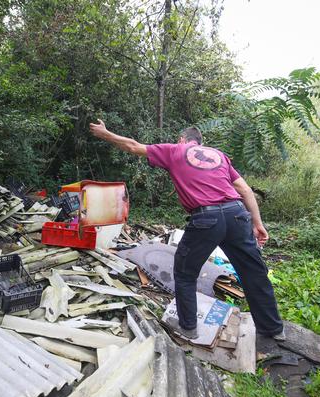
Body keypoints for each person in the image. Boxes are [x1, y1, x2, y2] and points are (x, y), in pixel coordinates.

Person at [89, 119, 285, 341]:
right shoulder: (218, 155)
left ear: (182, 140)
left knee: (185, 273)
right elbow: (246, 190)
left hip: (206, 218)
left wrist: (105, 134)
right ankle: (274, 330)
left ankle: (189, 328)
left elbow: (133, 146)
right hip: (237, 214)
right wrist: (258, 224)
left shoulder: (175, 150)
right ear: (201, 143)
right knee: (255, 273)